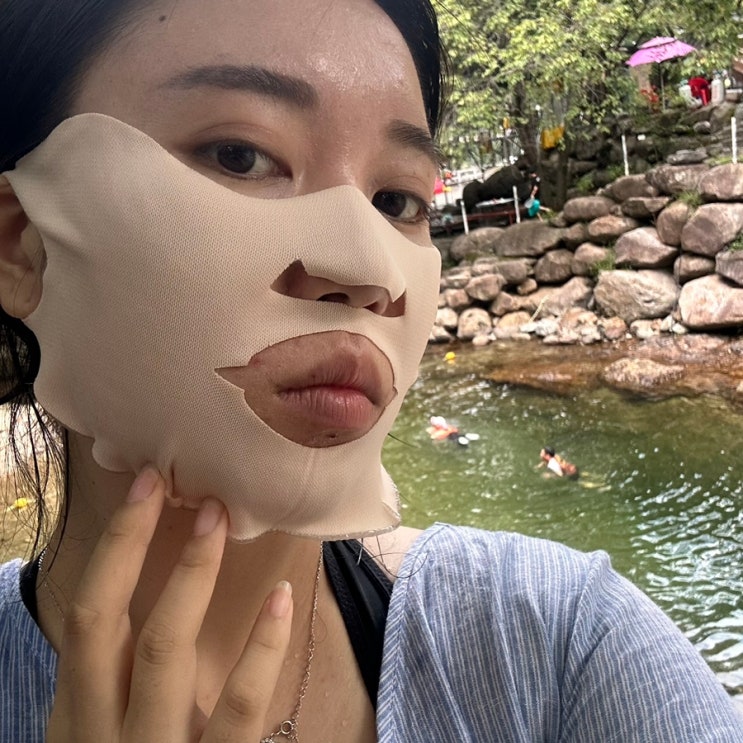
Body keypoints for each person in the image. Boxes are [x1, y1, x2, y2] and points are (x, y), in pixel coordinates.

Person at [0, 2, 741, 742]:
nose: (367, 272)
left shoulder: (561, 647)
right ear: (19, 243)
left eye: (396, 200)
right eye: (240, 155)